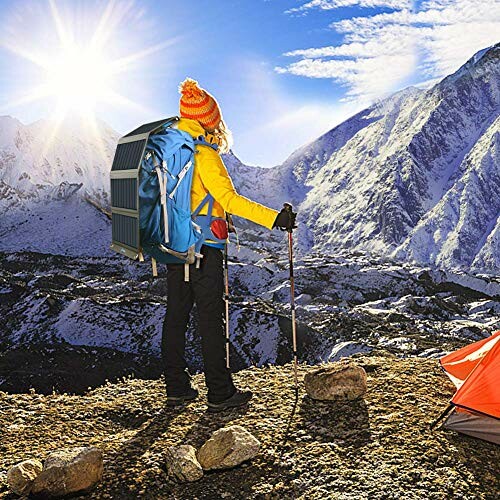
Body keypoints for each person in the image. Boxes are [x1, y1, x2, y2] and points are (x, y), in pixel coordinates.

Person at [163, 78, 296, 412]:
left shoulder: (169, 148)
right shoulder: (204, 153)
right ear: (210, 121)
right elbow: (227, 198)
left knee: (176, 315)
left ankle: (177, 387)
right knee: (210, 318)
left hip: (175, 243)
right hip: (204, 246)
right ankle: (220, 392)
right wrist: (273, 219)